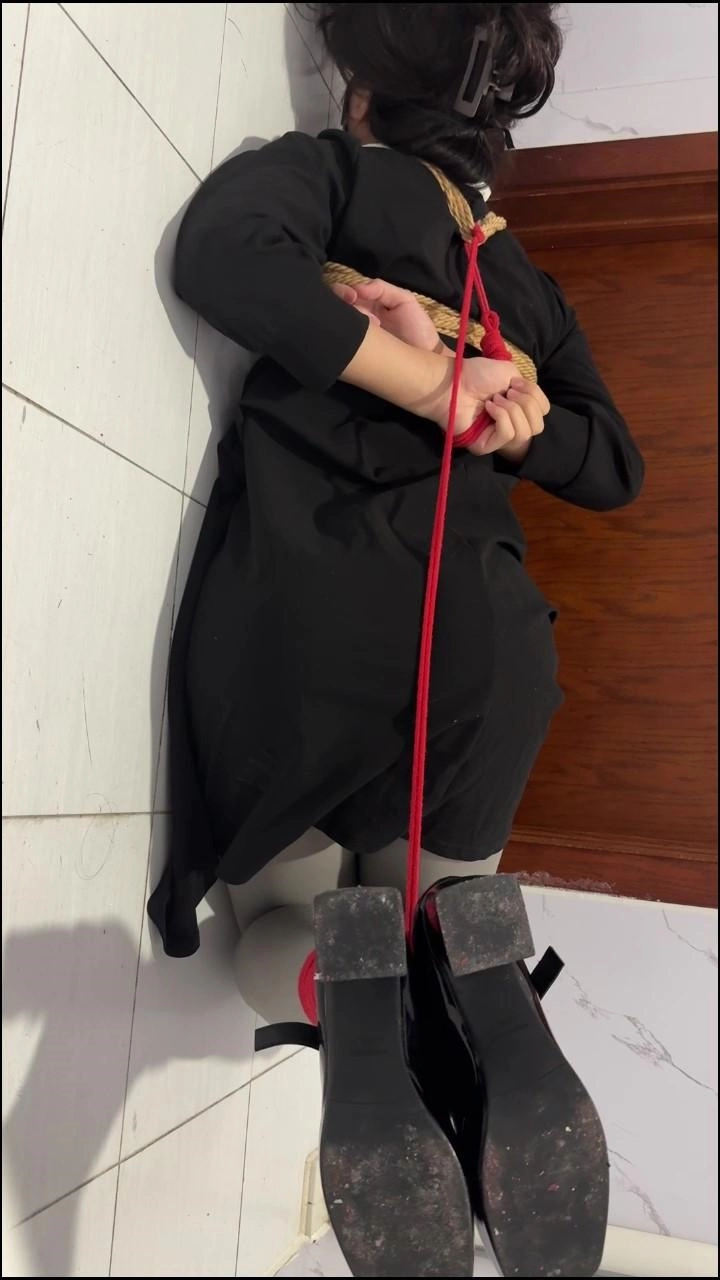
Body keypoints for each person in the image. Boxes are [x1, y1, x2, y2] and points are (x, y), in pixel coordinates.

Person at [148, 2, 644, 1029]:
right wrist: (505, 419)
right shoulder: (531, 296)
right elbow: (615, 467)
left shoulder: (335, 174)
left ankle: (357, 1004)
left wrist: (429, 385)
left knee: (290, 931)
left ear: (363, 99)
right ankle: (478, 1011)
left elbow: (222, 252)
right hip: (494, 653)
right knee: (442, 924)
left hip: (316, 609)